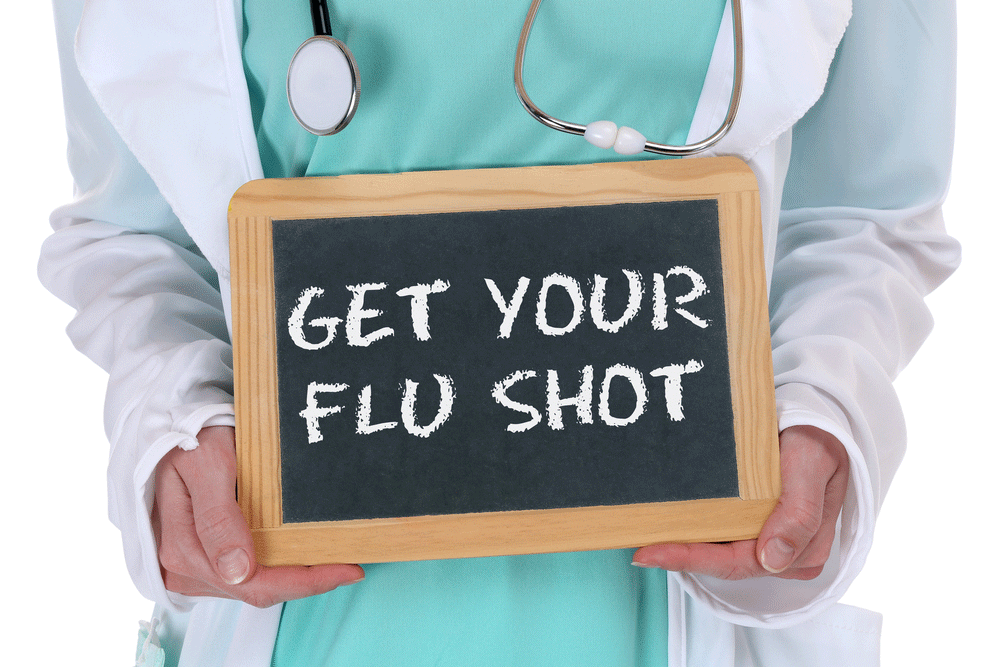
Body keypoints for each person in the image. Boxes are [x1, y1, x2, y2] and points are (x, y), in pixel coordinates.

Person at [40, 0, 959, 665]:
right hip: (311, 620)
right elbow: (138, 231)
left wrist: (821, 417)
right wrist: (171, 432)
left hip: (664, 600)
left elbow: (863, 211)